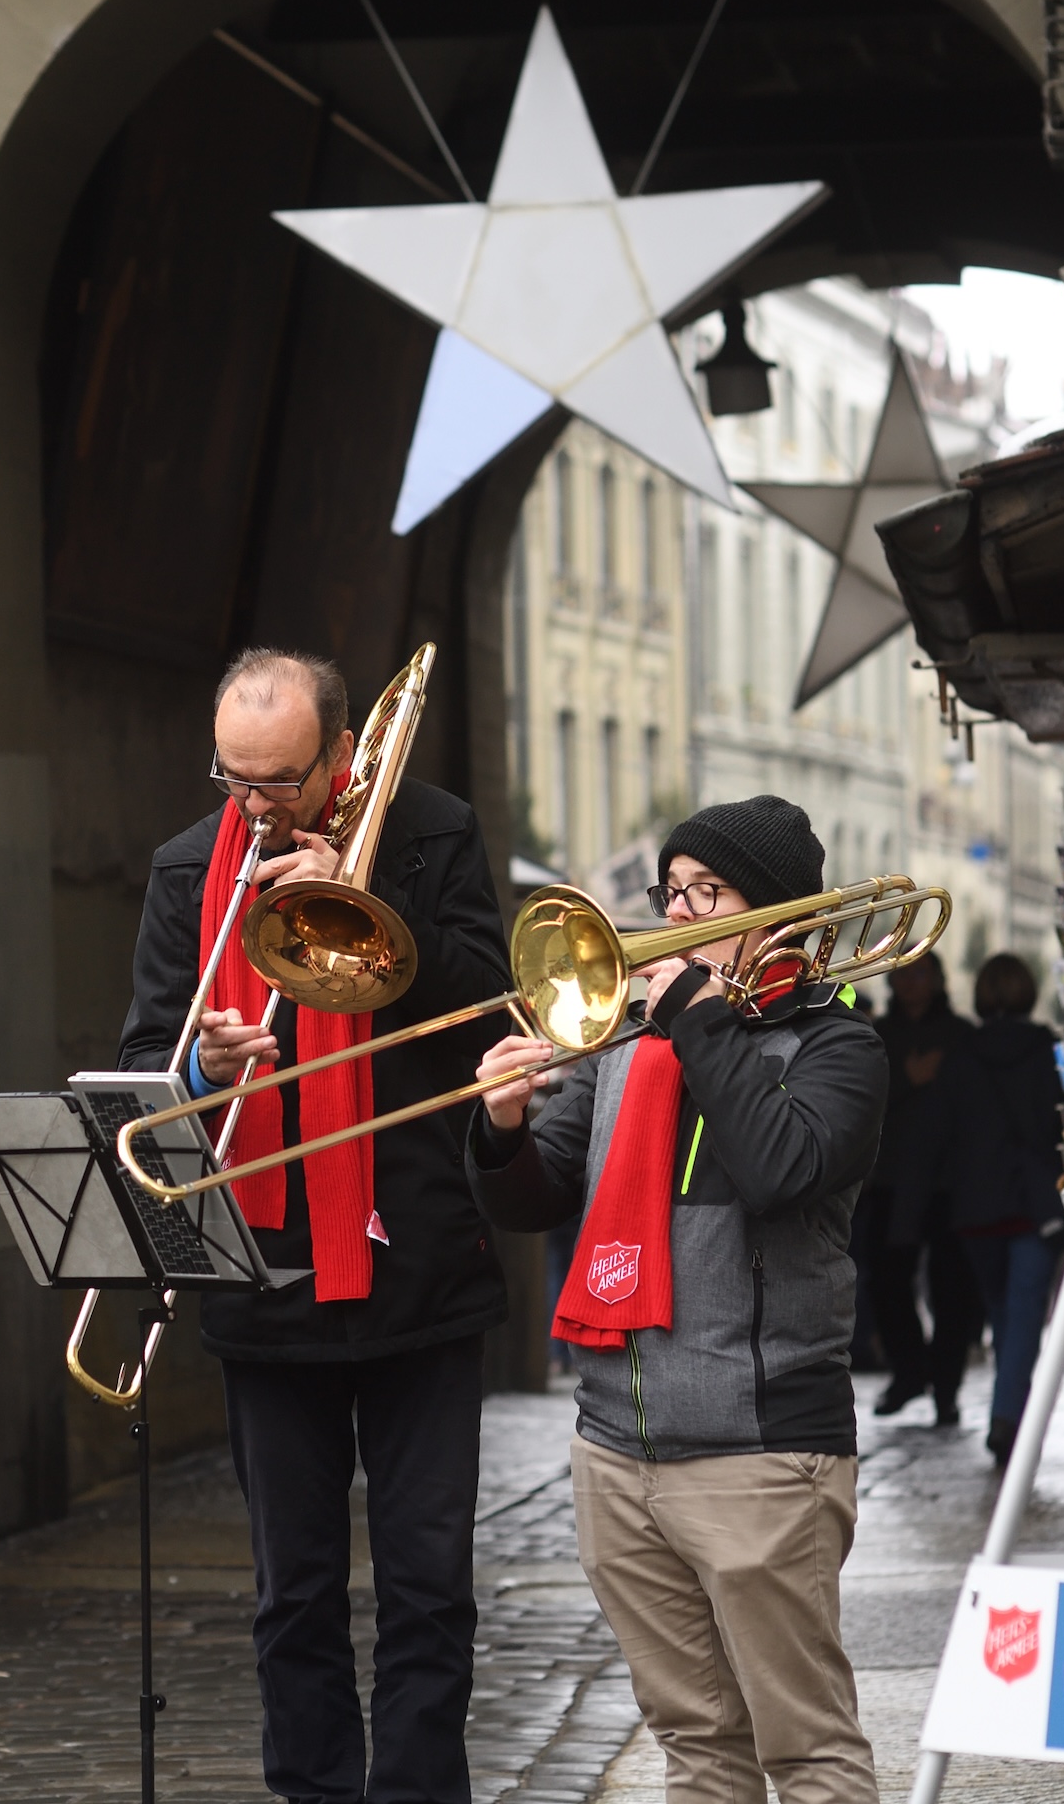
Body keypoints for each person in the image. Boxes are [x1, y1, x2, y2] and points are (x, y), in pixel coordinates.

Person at [118, 648, 506, 1804]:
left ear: (343, 754)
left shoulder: (432, 830)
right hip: (264, 1273)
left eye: (280, 779)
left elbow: (492, 1002)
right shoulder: (191, 865)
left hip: (418, 1264)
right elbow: (142, 1052)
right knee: (292, 1588)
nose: (256, 804)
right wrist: (200, 1061)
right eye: (235, 776)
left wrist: (370, 901)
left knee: (431, 1582)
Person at [466, 799, 884, 1804]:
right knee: (696, 1748)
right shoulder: (627, 1042)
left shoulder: (836, 1049)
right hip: (617, 1448)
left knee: (809, 1752)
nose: (678, 912)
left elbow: (781, 1168)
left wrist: (697, 1017)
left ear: (782, 909)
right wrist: (503, 1125)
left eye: (710, 892)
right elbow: (537, 1198)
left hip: (762, 1450)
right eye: (673, 891)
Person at [937, 954, 1064, 1465]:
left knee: (999, 1312)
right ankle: (1008, 1415)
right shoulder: (1048, 1051)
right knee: (1023, 1316)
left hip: (976, 1209)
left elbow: (942, 1132)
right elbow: (1062, 1126)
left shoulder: (961, 1055)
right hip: (1035, 1207)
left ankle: (1006, 1405)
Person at [857, 953, 979, 1426]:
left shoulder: (960, 1035)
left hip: (948, 1183)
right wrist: (908, 1079)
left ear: (938, 979)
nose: (910, 983)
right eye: (902, 974)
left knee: (952, 1293)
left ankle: (946, 1388)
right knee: (886, 1282)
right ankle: (909, 1372)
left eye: (920, 973)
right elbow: (861, 1100)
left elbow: (969, 1107)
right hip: (889, 1178)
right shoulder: (877, 1035)